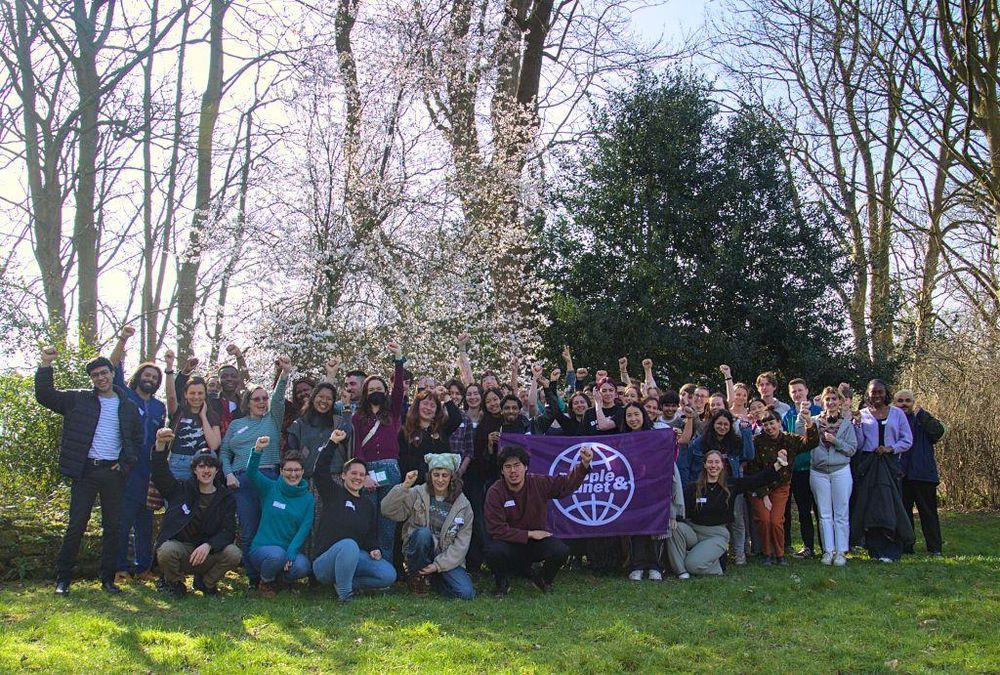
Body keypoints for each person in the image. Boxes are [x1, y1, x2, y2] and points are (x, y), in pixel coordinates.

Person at [35, 346, 143, 595]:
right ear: (91, 379)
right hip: (85, 472)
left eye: (104, 373)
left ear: (112, 373)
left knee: (113, 527)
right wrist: (45, 364)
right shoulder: (78, 399)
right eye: (95, 375)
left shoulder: (127, 405)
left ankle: (107, 579)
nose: (101, 378)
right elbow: (45, 396)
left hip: (113, 474)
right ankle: (63, 580)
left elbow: (137, 439)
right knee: (76, 526)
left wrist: (125, 464)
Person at [485, 444, 594, 597]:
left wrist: (584, 465)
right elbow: (496, 529)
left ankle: (542, 580)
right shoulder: (495, 492)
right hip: (508, 543)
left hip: (535, 543)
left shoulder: (538, 482)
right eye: (507, 467)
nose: (513, 471)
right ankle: (502, 584)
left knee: (561, 550)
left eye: (517, 465)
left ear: (526, 467)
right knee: (492, 551)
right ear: (502, 471)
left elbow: (565, 484)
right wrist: (529, 534)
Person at [219, 355, 291, 585]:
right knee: (249, 528)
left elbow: (279, 397)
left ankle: (272, 575)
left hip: (269, 477)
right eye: (257, 399)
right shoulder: (236, 425)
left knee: (271, 527)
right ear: (248, 402)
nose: (262, 402)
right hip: (242, 481)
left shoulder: (272, 419)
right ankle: (253, 577)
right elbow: (223, 453)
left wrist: (285, 373)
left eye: (264, 398)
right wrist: (228, 473)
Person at [667, 449, 789, 578]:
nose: (713, 466)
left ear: (722, 465)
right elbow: (680, 505)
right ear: (704, 465)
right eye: (710, 462)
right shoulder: (693, 488)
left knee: (692, 564)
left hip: (716, 535)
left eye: (716, 462)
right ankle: (681, 571)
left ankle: (716, 565)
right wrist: (673, 517)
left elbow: (756, 480)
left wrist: (778, 465)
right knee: (675, 528)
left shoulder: (731, 485)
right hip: (694, 531)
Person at [150, 428, 241, 597]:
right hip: (182, 550)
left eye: (211, 466)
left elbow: (228, 532)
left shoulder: (226, 498)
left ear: (217, 470)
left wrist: (209, 545)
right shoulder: (179, 490)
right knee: (166, 550)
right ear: (194, 470)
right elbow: (160, 473)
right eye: (201, 466)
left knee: (234, 553)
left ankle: (207, 583)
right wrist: (161, 444)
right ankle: (175, 583)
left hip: (208, 553)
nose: (206, 470)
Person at [108, 326, 166, 583]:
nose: (150, 379)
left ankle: (143, 567)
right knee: (123, 518)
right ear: (139, 376)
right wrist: (123, 339)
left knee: (145, 519)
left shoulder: (159, 406)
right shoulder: (124, 394)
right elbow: (112, 366)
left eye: (155, 376)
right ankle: (120, 567)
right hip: (127, 465)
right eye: (147, 374)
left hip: (149, 467)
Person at [311, 433, 397, 602]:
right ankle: (345, 595)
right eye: (353, 473)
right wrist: (332, 443)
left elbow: (370, 536)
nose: (357, 477)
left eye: (362, 475)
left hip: (353, 560)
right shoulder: (333, 493)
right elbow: (320, 470)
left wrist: (374, 548)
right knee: (349, 545)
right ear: (343, 475)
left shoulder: (367, 505)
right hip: (324, 564)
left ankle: (346, 582)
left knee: (388, 575)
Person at [382, 454, 475, 599]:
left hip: (446, 556)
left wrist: (437, 566)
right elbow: (387, 510)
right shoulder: (417, 493)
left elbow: (461, 545)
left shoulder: (463, 505)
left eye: (445, 475)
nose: (440, 479)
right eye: (436, 475)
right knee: (423, 534)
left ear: (451, 477)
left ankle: (432, 580)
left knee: (466, 593)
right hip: (420, 551)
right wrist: (404, 486)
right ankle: (417, 577)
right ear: (430, 475)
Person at [351, 341, 406, 562]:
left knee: (387, 521)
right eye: (371, 389)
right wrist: (363, 475)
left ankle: (387, 569)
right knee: (368, 521)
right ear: (366, 392)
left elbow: (399, 388)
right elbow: (355, 447)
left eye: (379, 389)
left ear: (385, 392)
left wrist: (398, 360)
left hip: (390, 469)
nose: (375, 392)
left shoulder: (391, 412)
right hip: (366, 472)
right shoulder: (357, 417)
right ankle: (368, 567)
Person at [745, 408, 817, 566]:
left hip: (781, 486)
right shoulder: (757, 442)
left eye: (772, 423)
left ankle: (779, 554)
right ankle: (766, 553)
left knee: (776, 520)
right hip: (760, 486)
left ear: (779, 423)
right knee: (764, 519)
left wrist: (809, 423)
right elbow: (753, 470)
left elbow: (811, 442)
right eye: (766, 425)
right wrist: (763, 495)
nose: (769, 427)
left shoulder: (789, 439)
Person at [852, 379, 914, 562]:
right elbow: (859, 444)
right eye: (873, 392)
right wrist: (856, 426)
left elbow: (907, 439)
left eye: (880, 392)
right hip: (869, 465)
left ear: (886, 393)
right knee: (870, 505)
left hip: (891, 464)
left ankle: (894, 546)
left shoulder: (897, 414)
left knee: (892, 504)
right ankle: (875, 548)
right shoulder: (862, 415)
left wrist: (890, 448)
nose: (877, 396)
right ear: (868, 394)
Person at [683, 409, 755, 565]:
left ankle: (739, 554)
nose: (722, 427)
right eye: (719, 423)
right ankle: (711, 552)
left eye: (726, 424)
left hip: (730, 485)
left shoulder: (735, 442)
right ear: (712, 424)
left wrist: (746, 430)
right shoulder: (700, 442)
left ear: (730, 426)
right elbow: (689, 463)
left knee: (737, 520)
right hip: (707, 486)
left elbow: (749, 455)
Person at [246, 436, 314, 596]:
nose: (293, 474)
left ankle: (282, 582)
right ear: (281, 471)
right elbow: (251, 472)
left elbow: (305, 527)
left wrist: (292, 551)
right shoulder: (270, 488)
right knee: (277, 556)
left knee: (303, 566)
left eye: (297, 470)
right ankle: (266, 581)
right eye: (289, 470)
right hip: (263, 551)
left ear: (302, 472)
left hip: (287, 551)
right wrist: (257, 450)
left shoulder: (308, 498)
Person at [800, 386, 857, 566]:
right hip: (818, 471)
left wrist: (836, 441)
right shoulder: (815, 421)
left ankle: (841, 551)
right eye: (828, 399)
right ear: (822, 402)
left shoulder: (847, 424)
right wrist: (805, 419)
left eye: (834, 399)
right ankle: (828, 551)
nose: (831, 403)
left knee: (841, 513)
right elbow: (800, 436)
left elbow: (851, 449)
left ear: (839, 402)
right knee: (824, 514)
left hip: (840, 470)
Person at [894, 390, 946, 556]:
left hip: (924, 474)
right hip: (902, 474)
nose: (904, 404)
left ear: (913, 402)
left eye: (908, 401)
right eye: (900, 401)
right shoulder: (893, 421)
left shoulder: (922, 419)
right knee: (904, 514)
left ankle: (935, 548)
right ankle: (906, 546)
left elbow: (938, 433)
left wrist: (923, 415)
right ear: (894, 403)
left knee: (928, 513)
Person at [164, 349, 222, 479]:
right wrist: (169, 368)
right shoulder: (179, 412)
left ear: (205, 394)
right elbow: (171, 397)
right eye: (192, 393)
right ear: (185, 394)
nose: (196, 397)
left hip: (203, 465)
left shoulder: (212, 416)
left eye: (200, 393)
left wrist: (203, 417)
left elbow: (214, 444)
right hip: (178, 463)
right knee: (179, 498)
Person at [783, 378, 823, 559]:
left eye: (800, 390)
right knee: (803, 510)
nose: (797, 394)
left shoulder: (818, 411)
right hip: (796, 469)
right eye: (794, 392)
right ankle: (808, 546)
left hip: (816, 468)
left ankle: (826, 546)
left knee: (821, 509)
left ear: (807, 390)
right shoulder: (788, 415)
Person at [287, 382, 350, 480]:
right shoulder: (299, 424)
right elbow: (292, 453)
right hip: (309, 478)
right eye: (320, 396)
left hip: (335, 477)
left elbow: (347, 435)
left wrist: (346, 406)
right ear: (313, 398)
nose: (324, 401)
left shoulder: (337, 421)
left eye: (329, 399)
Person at [398, 389, 462, 484]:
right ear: (417, 406)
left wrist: (446, 397)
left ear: (436, 410)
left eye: (432, 406)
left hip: (441, 485)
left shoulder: (441, 429)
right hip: (416, 486)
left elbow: (456, 418)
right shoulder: (406, 431)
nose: (428, 408)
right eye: (425, 404)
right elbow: (403, 460)